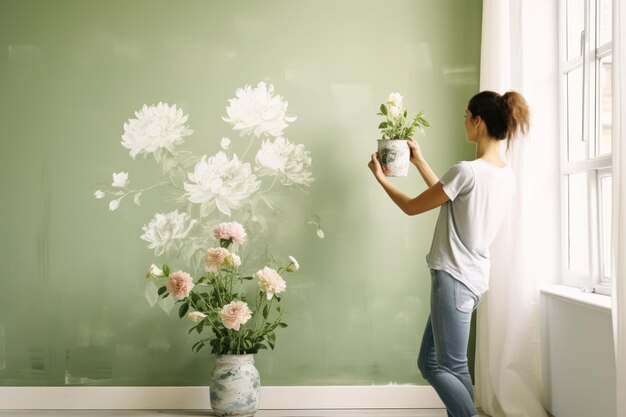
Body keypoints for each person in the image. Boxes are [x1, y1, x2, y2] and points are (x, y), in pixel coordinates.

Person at [368, 90, 530, 417]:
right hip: (472, 280)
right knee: (432, 362)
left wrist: (381, 179)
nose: (464, 123)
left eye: (466, 116)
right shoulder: (504, 175)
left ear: (478, 121)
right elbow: (450, 198)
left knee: (447, 366)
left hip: (453, 278)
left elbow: (414, 207)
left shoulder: (467, 170)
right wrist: (419, 161)